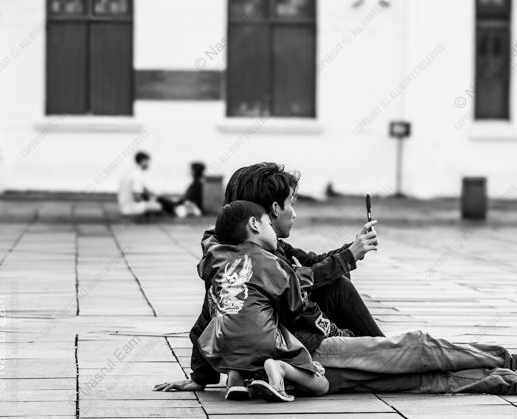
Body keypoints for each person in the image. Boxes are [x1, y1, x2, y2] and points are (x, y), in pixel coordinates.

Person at [189, 202, 517, 398]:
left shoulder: (223, 264)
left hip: (287, 364)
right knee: (417, 346)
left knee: (414, 378)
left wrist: (200, 377)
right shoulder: (264, 258)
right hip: (307, 351)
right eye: (290, 203)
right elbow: (297, 297)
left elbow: (207, 323)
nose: (292, 213)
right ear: (263, 218)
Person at [153, 162, 382, 394]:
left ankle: (380, 351)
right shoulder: (254, 258)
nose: (294, 212)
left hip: (271, 338)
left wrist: (353, 249)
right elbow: (297, 279)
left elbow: (310, 262)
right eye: (291, 203)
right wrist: (348, 256)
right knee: (339, 288)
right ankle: (381, 352)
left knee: (337, 281)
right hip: (285, 338)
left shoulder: (237, 249)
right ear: (272, 210)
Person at [198, 201, 329, 402]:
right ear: (254, 224)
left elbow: (204, 269)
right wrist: (300, 280)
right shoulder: (273, 263)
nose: (273, 230)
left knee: (230, 316)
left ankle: (235, 377)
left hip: (221, 345)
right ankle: (280, 369)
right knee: (322, 385)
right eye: (268, 224)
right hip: (262, 344)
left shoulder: (215, 257)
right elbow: (293, 311)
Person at [117, 151, 164, 216]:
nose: (148, 164)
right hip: (130, 208)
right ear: (142, 161)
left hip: (124, 206)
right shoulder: (138, 175)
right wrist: (150, 201)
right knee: (159, 207)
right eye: (147, 162)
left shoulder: (133, 172)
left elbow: (144, 189)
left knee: (155, 202)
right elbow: (137, 196)